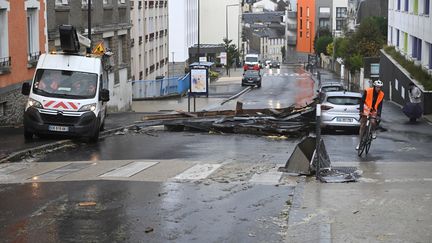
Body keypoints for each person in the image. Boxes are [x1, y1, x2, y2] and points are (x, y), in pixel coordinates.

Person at [356, 80, 385, 150]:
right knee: (363, 125)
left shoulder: (381, 94)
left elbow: (380, 105)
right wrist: (361, 110)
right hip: (366, 108)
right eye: (377, 87)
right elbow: (362, 101)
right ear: (374, 86)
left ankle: (373, 131)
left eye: (380, 87)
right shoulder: (368, 91)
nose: (378, 89)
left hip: (374, 109)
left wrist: (379, 115)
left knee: (373, 121)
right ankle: (360, 143)